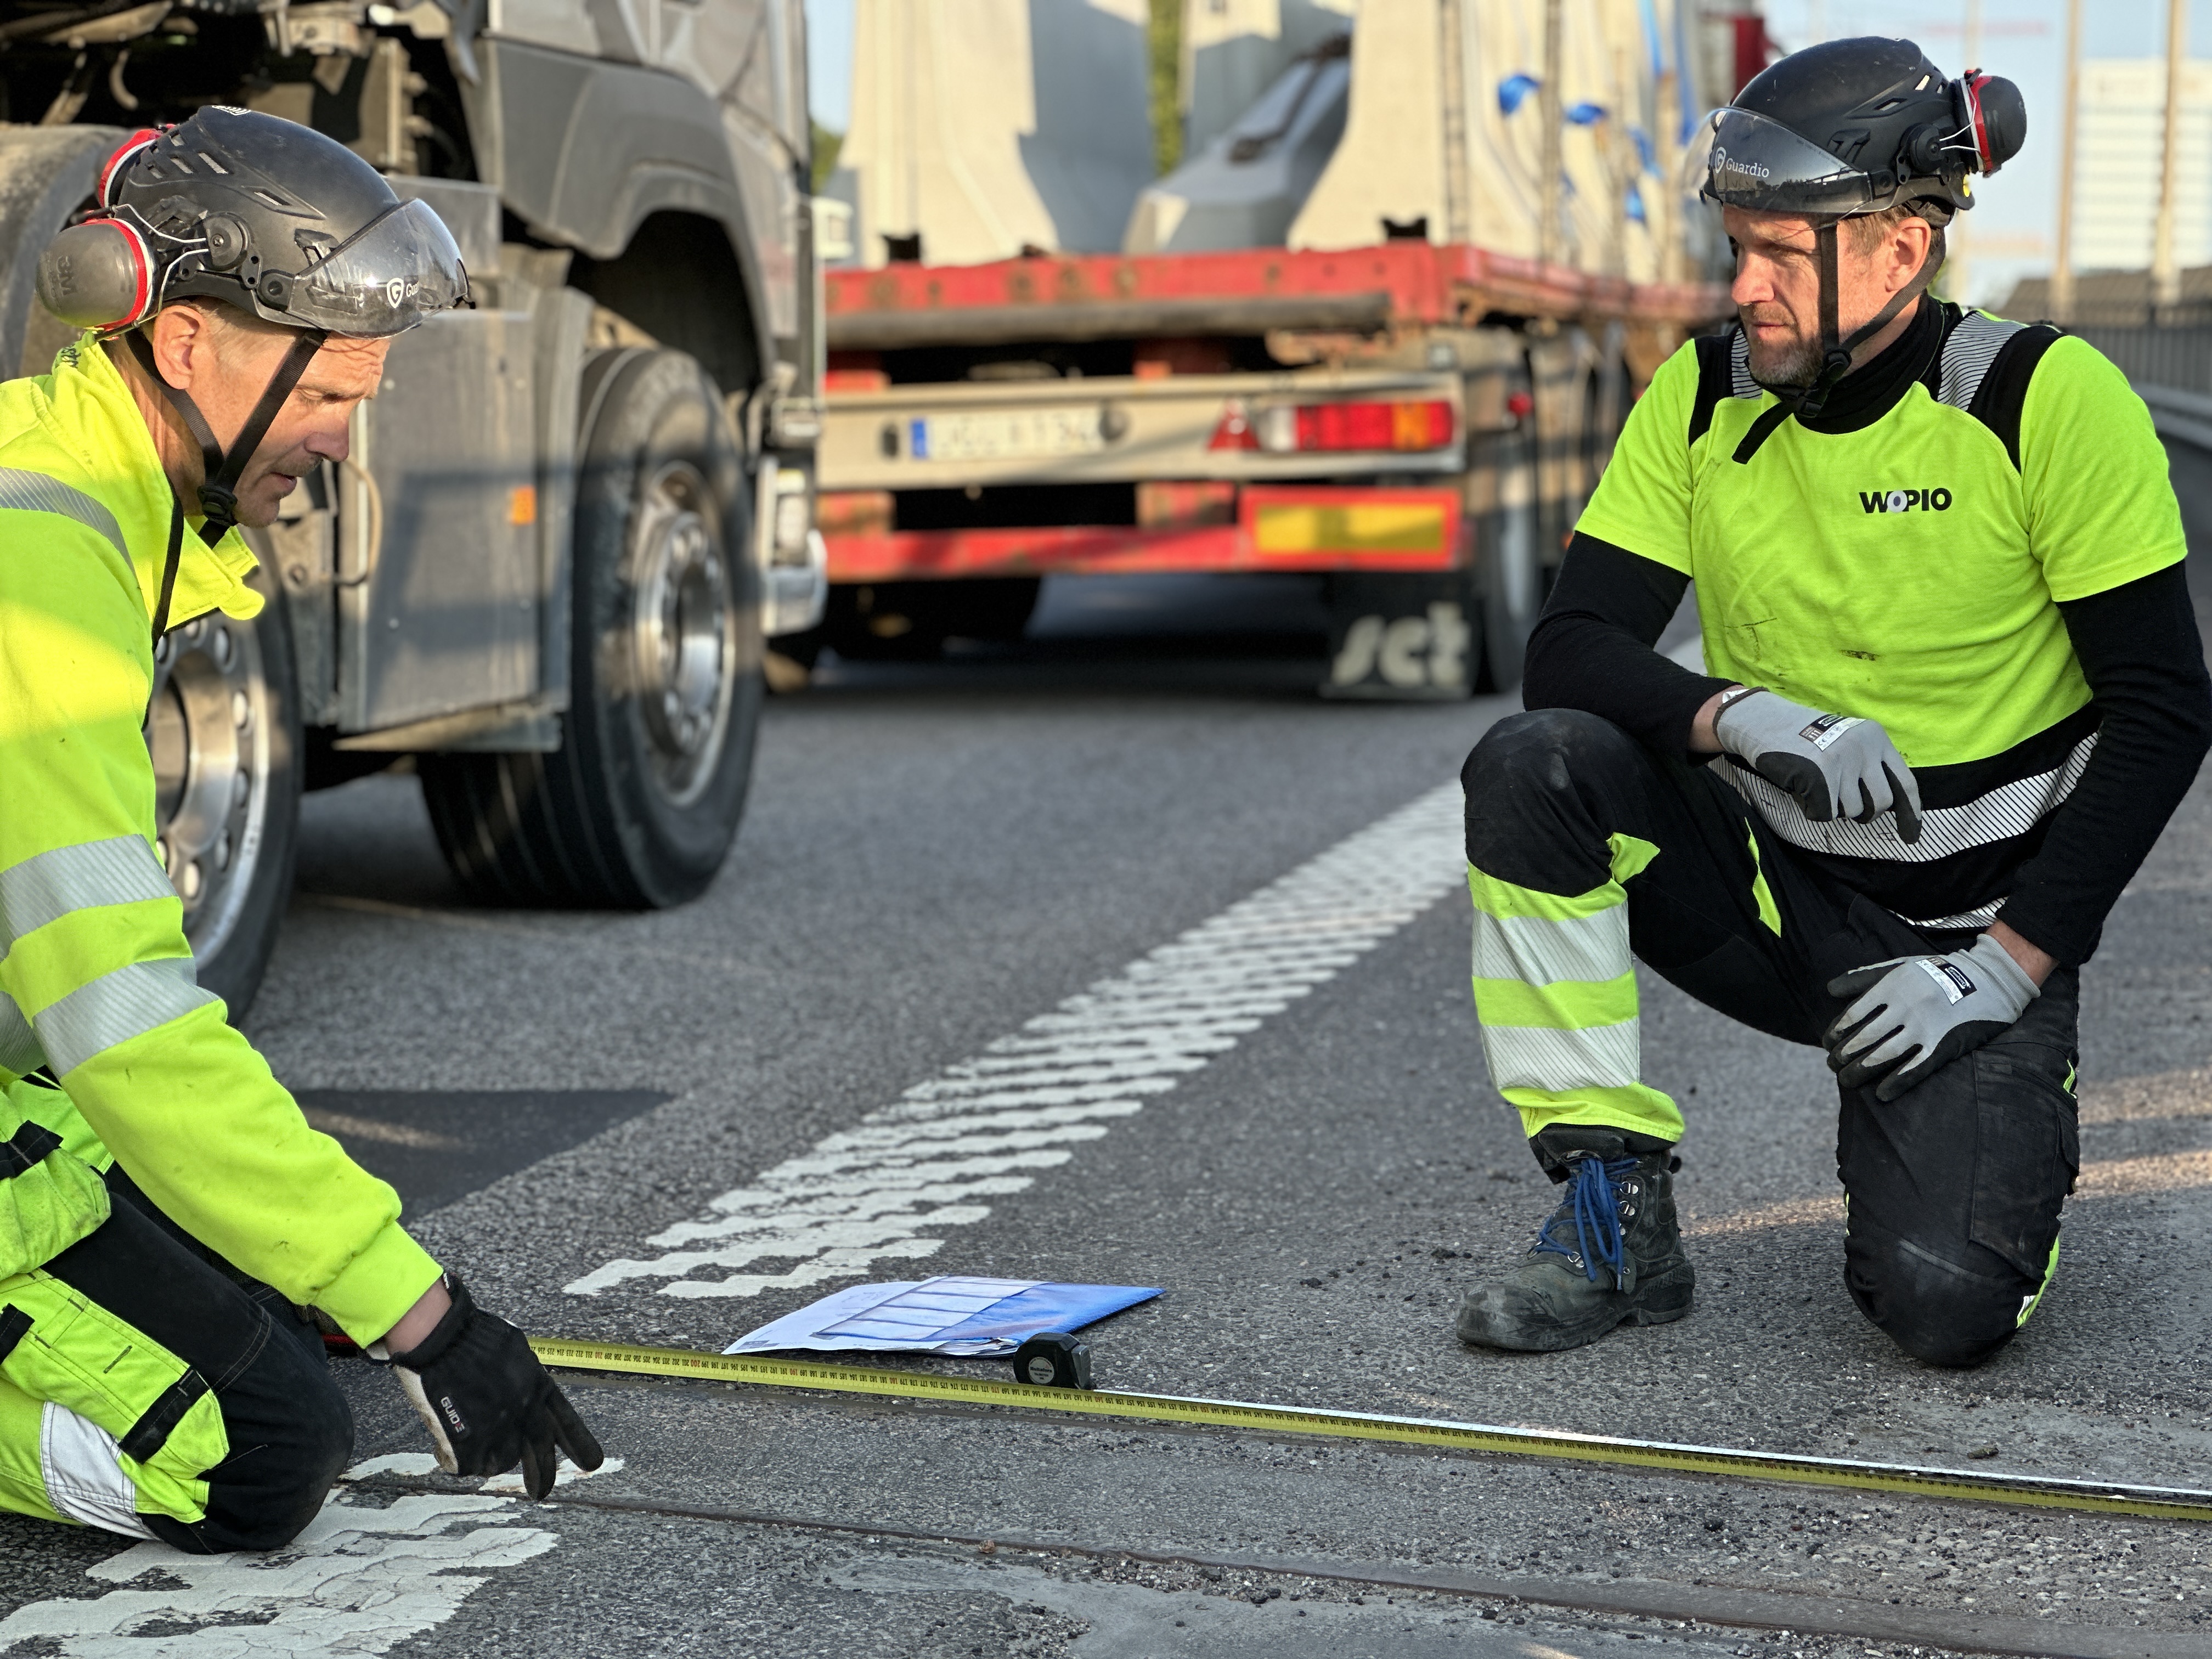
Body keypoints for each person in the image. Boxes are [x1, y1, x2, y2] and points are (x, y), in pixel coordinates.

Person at [1453, 38, 2212, 1367]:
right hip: (1771, 892)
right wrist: (1741, 717)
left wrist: (2008, 964)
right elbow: (1570, 650)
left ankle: (1990, 1095)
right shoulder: (1700, 398)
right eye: (1733, 249)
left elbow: (2163, 710)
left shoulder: (2046, 400)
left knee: (1945, 1308)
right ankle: (1611, 1206)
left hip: (1962, 939)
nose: (1743, 290)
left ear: (1896, 254)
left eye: (1775, 254)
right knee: (1538, 765)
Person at [0, 109, 600, 1551]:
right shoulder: (39, 560)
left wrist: (315, 1265)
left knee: (271, 1288)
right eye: (330, 398)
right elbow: (127, 1024)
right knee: (259, 1455)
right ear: (191, 345)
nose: (337, 450)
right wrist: (424, 1321)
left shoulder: (87, 497)